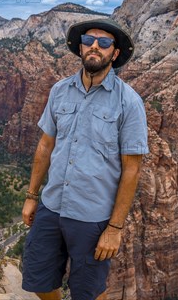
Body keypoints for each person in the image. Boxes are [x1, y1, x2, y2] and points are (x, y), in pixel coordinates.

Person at [21, 18, 149, 300]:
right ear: (80, 48)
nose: (95, 47)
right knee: (39, 279)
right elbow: (45, 145)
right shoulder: (59, 91)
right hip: (52, 205)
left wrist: (115, 228)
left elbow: (132, 169)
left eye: (104, 43)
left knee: (88, 291)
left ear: (114, 54)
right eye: (89, 40)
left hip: (93, 217)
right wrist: (32, 195)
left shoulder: (129, 102)